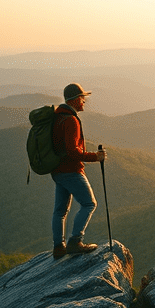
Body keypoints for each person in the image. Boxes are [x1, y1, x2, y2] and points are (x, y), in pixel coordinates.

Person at [51, 83, 106, 259]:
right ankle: (75, 241)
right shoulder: (71, 120)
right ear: (74, 100)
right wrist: (95, 157)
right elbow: (73, 151)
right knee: (89, 204)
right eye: (82, 98)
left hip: (57, 171)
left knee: (60, 211)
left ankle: (59, 247)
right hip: (71, 171)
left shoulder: (57, 117)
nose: (84, 102)